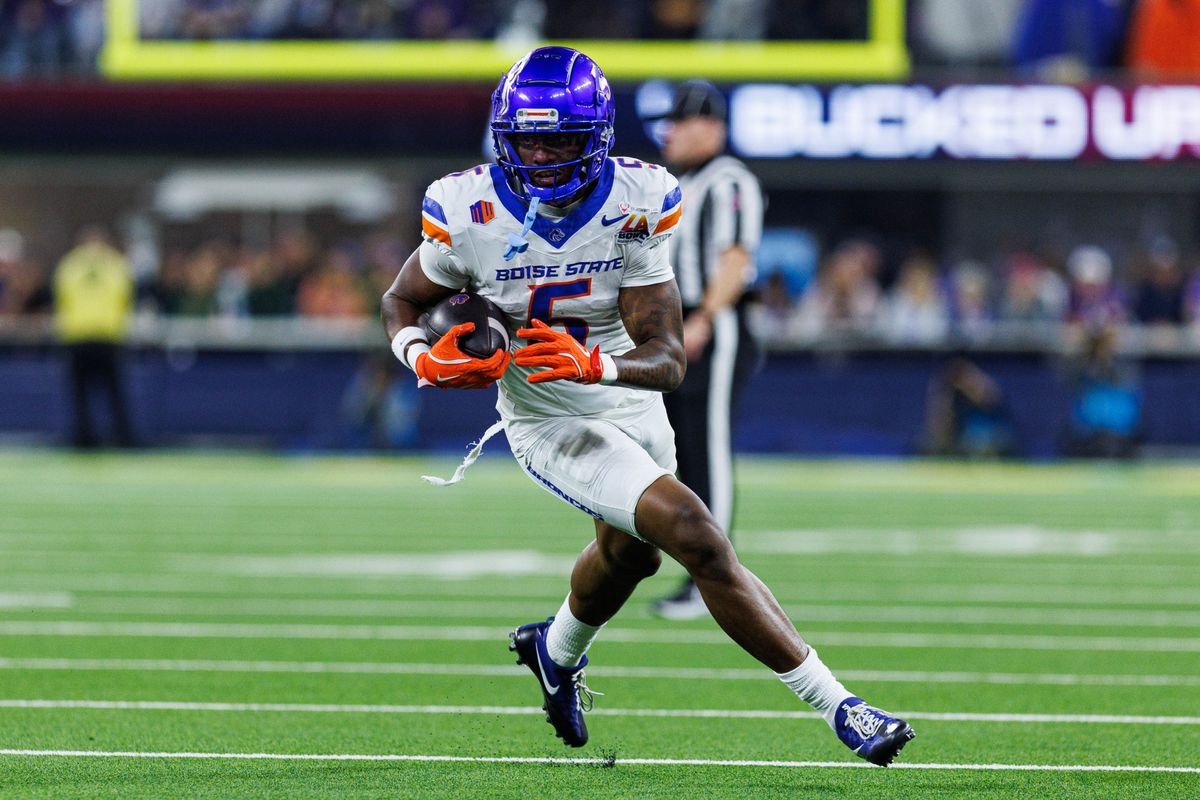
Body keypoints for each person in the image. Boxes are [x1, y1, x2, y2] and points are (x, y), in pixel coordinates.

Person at [380, 46, 914, 766]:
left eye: (558, 140)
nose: (538, 157)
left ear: (596, 139)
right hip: (546, 414)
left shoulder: (637, 199)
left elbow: (667, 358)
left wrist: (597, 361)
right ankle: (841, 706)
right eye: (525, 139)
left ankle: (554, 649)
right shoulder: (465, 209)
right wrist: (422, 355)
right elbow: (402, 299)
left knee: (629, 556)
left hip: (622, 393)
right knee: (694, 534)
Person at [645, 79, 764, 619]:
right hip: (676, 327)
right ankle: (696, 573)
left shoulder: (727, 179)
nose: (669, 130)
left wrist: (705, 317)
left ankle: (715, 581)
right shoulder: (672, 183)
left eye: (681, 120)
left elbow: (735, 257)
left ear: (711, 127)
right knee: (678, 456)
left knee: (707, 451)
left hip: (712, 326)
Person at [52, 225, 136, 448]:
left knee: (80, 393)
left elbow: (62, 297)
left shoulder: (70, 264)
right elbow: (125, 297)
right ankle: (123, 438)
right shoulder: (115, 263)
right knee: (114, 391)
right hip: (107, 335)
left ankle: (84, 439)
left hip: (77, 335)